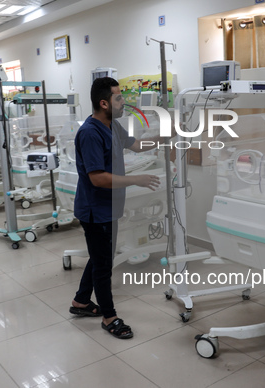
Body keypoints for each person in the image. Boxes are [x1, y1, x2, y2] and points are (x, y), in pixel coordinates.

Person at [69, 77, 168, 339]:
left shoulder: (113, 126)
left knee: (101, 257)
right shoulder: (90, 133)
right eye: (119, 97)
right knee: (103, 264)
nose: (124, 101)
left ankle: (81, 301)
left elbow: (136, 145)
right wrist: (137, 179)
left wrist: (166, 136)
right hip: (95, 210)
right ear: (104, 103)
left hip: (109, 207)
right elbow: (97, 177)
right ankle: (109, 317)